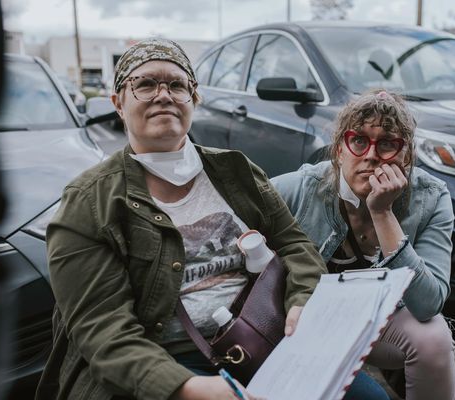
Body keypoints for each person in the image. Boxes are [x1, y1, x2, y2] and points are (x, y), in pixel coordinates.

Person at [35, 38, 388, 400]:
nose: (164, 95)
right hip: (166, 360)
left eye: (177, 85)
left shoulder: (236, 171)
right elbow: (104, 331)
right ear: (118, 104)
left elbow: (294, 244)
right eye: (144, 84)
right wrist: (191, 388)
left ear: (194, 98)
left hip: (264, 337)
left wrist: (302, 300)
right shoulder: (88, 203)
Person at [272, 89, 455, 400]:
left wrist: (382, 212)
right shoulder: (299, 189)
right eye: (358, 140)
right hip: (300, 321)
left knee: (434, 338)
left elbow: (429, 303)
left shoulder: (431, 197)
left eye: (387, 143)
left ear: (406, 156)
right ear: (339, 150)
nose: (371, 155)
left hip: (376, 323)